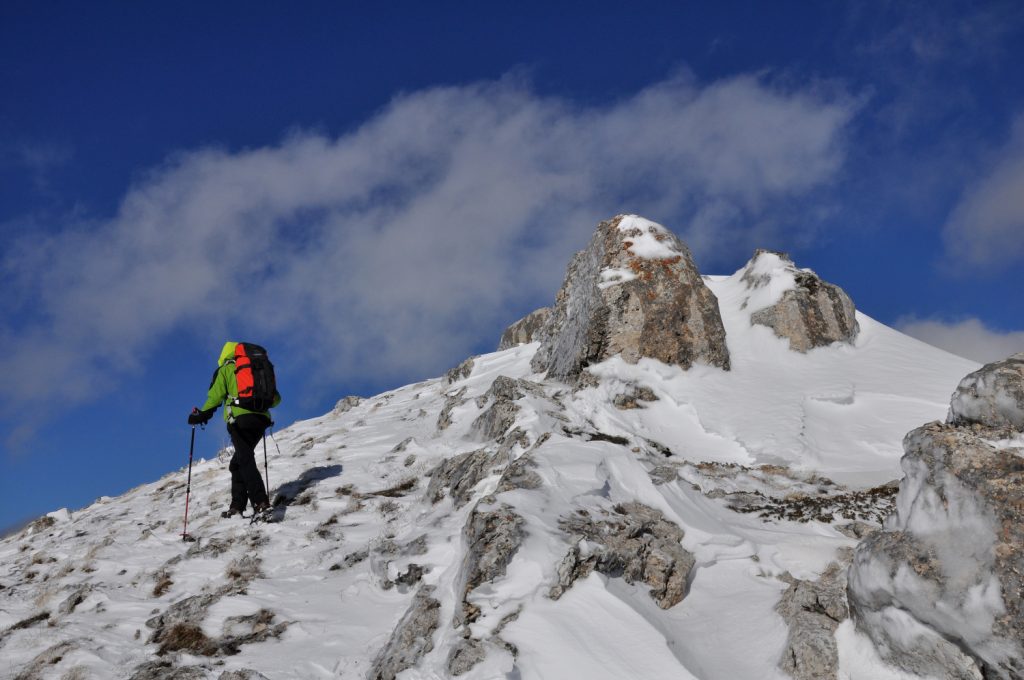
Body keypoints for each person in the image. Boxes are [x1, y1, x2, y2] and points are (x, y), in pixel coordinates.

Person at [188, 341, 281, 518]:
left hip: (239, 421)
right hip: (261, 420)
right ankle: (237, 507)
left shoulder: (226, 369)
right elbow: (276, 399)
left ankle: (261, 503)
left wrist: (200, 416)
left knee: (244, 459)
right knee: (237, 463)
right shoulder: (258, 369)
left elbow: (215, 398)